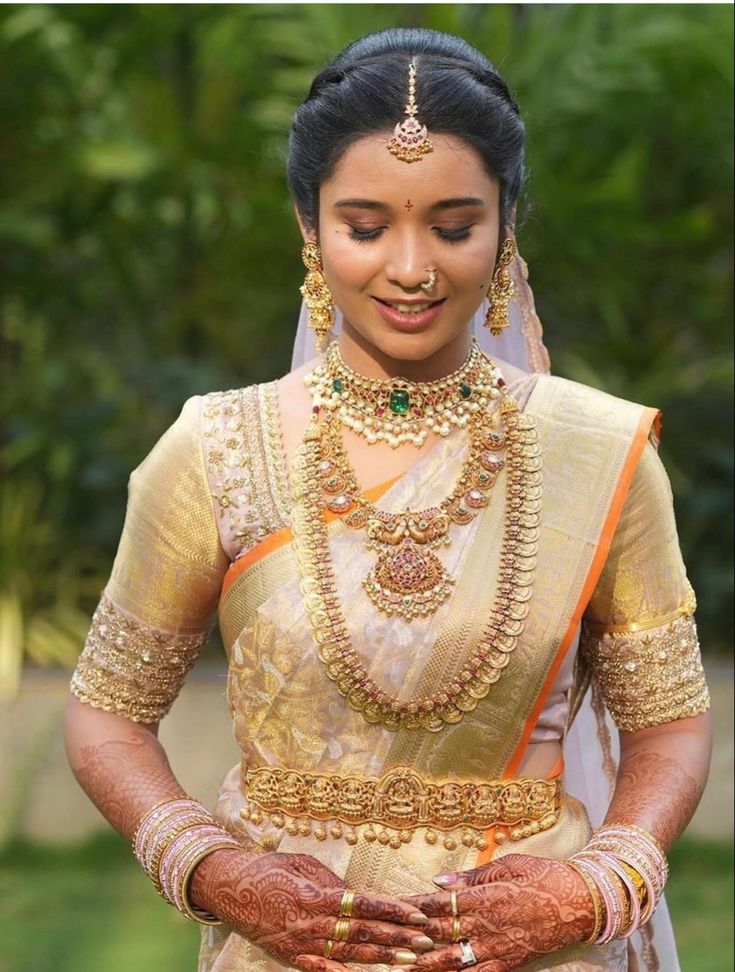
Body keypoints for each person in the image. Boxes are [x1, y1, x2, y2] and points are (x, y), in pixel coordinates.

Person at [64, 27, 713, 972]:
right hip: (282, 944)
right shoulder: (215, 448)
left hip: (531, 941)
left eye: (454, 227)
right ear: (308, 225)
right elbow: (106, 712)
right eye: (365, 227)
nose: (412, 267)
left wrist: (596, 882)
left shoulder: (594, 449)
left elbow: (669, 721)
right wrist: (214, 869)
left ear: (506, 225)